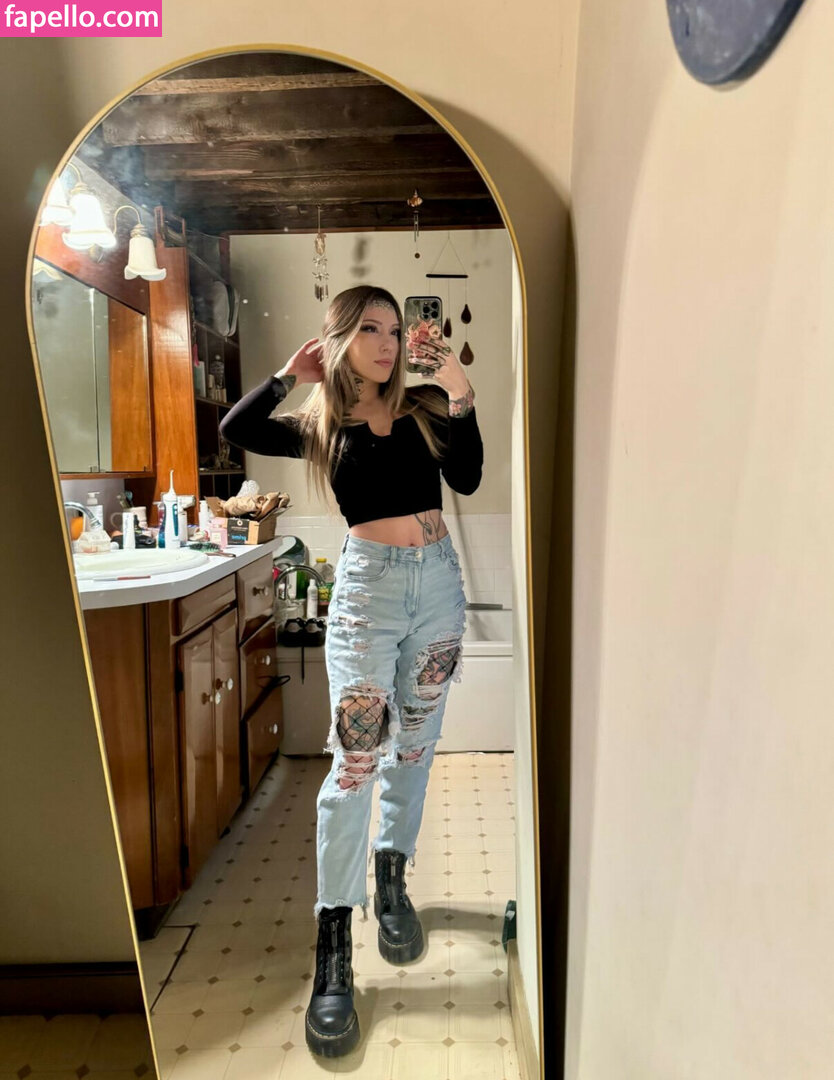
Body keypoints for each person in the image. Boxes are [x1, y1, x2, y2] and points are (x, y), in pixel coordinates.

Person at [219, 284, 483, 1058]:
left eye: (394, 330)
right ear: (338, 340)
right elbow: (235, 428)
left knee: (414, 748)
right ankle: (333, 946)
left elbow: (467, 479)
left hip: (438, 590)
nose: (387, 343)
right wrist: (287, 376)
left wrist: (460, 388)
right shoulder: (320, 425)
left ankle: (391, 877)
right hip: (368, 597)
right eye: (369, 329)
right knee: (355, 763)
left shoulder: (426, 408)